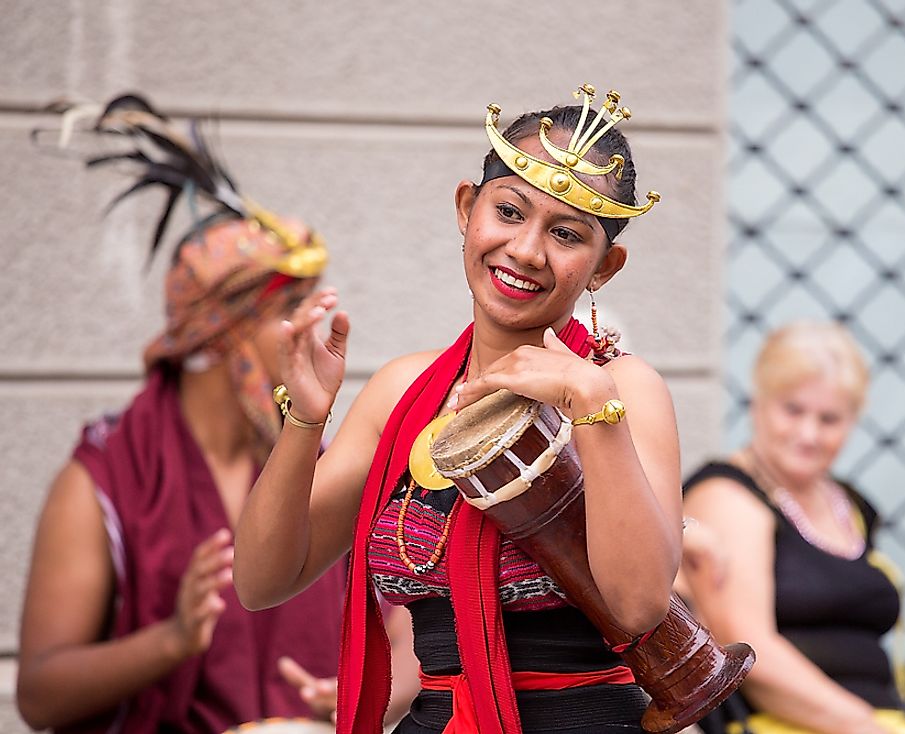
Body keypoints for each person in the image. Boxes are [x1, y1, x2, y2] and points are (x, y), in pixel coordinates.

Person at [232, 83, 684, 734]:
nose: (526, 250)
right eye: (509, 211)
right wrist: (304, 421)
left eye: (565, 233)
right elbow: (262, 583)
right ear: (467, 207)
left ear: (604, 266)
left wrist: (590, 402)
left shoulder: (622, 390)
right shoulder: (401, 392)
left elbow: (640, 604)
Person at [16, 95, 346, 733]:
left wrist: (368, 689)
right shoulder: (102, 479)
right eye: (294, 310)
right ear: (227, 332)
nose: (315, 330)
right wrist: (172, 638)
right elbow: (39, 696)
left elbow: (411, 631)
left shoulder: (318, 461)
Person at [680, 321, 905, 734]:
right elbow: (748, 651)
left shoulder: (850, 505)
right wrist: (868, 728)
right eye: (793, 410)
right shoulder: (729, 496)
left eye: (829, 419)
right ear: (758, 403)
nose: (808, 434)